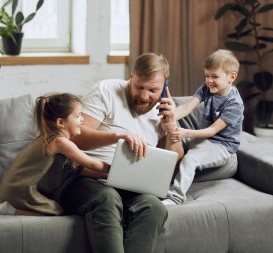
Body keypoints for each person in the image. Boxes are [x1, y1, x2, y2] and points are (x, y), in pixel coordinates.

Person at [65, 53, 184, 253]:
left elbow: (174, 157)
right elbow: (76, 136)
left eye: (153, 90)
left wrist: (171, 126)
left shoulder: (165, 111)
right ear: (131, 76)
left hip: (133, 186)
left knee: (155, 208)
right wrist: (118, 136)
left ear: (165, 86)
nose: (145, 96)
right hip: (88, 179)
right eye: (139, 86)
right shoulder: (106, 90)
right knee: (108, 199)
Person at [0, 93, 109, 215]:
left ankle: (4, 196)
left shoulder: (47, 137)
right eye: (77, 116)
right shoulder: (61, 142)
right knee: (57, 210)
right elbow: (93, 164)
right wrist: (115, 169)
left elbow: (75, 169)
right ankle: (11, 209)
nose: (82, 119)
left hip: (9, 186)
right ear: (61, 123)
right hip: (20, 190)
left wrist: (107, 176)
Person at [159, 49, 244, 205]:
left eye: (214, 76)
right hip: (202, 140)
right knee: (167, 136)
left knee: (190, 159)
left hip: (221, 145)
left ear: (231, 77)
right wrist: (170, 114)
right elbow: (185, 109)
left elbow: (212, 131)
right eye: (206, 76)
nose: (209, 80)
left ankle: (175, 197)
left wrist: (185, 133)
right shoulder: (206, 89)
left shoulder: (234, 104)